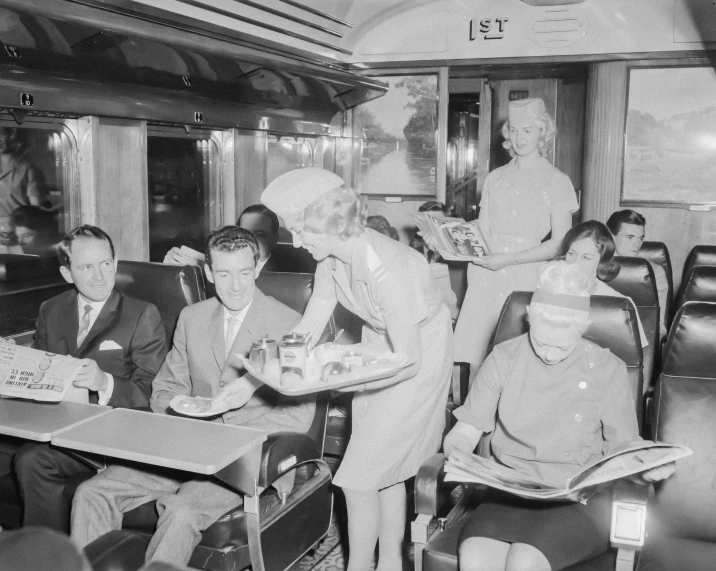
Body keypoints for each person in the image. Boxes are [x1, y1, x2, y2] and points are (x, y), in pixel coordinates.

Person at [71, 226, 313, 567]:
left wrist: (220, 423)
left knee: (181, 510)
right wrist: (183, 412)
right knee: (92, 492)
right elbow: (164, 391)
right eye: (225, 273)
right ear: (209, 272)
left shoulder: (290, 324)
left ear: (257, 269)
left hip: (244, 463)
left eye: (245, 272)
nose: (236, 285)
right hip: (183, 450)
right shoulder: (193, 318)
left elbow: (298, 417)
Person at [261, 167, 452, 571]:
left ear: (332, 223)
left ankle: (360, 566)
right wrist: (266, 367)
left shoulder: (391, 269)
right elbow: (311, 322)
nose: (296, 242)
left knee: (358, 475)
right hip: (379, 344)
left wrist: (344, 376)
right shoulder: (330, 256)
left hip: (418, 354)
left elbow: (409, 358)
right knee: (384, 469)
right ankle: (390, 564)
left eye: (302, 231)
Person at [444, 261, 675, 571]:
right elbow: (465, 430)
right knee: (475, 560)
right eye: (540, 342)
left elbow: (623, 448)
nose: (549, 354)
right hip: (510, 494)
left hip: (579, 500)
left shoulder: (609, 369)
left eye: (561, 346)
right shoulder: (504, 358)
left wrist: (645, 468)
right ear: (529, 319)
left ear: (583, 327)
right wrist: (457, 450)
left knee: (524, 562)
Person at [12, 225, 168, 532]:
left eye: (105, 264)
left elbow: (153, 391)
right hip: (56, 422)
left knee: (32, 461)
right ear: (67, 274)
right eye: (86, 267)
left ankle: (49, 560)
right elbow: (40, 372)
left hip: (114, 433)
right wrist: (14, 361)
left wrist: (104, 383)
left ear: (116, 263)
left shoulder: (141, 314)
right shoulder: (52, 310)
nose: (99, 276)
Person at [444, 98, 578, 379]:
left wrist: (510, 259)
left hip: (525, 275)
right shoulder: (494, 178)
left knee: (517, 362)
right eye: (514, 130)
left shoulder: (557, 181)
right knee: (480, 360)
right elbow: (482, 232)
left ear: (543, 133)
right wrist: (447, 240)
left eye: (528, 131)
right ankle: (477, 422)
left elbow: (561, 243)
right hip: (486, 274)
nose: (519, 138)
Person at [558, 220, 648, 348]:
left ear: (601, 261)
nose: (574, 264)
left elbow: (634, 358)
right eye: (571, 254)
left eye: (586, 257)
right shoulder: (549, 292)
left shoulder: (621, 304)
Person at [163, 204, 311, 273]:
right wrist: (172, 264)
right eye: (245, 233)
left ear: (274, 239)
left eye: (259, 234)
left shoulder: (291, 270)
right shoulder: (221, 255)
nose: (250, 241)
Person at [607, 209, 669, 339]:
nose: (637, 244)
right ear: (611, 236)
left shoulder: (655, 272)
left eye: (640, 238)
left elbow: (659, 327)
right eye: (630, 237)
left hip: (640, 339)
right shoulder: (595, 265)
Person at [410, 201, 459, 322]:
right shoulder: (412, 254)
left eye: (436, 223)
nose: (432, 229)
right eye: (426, 224)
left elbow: (454, 309)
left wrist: (437, 254)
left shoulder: (458, 260)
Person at [0, 127, 47, 219]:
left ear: (13, 137)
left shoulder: (28, 170)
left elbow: (36, 210)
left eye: (1, 135)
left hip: (19, 229)